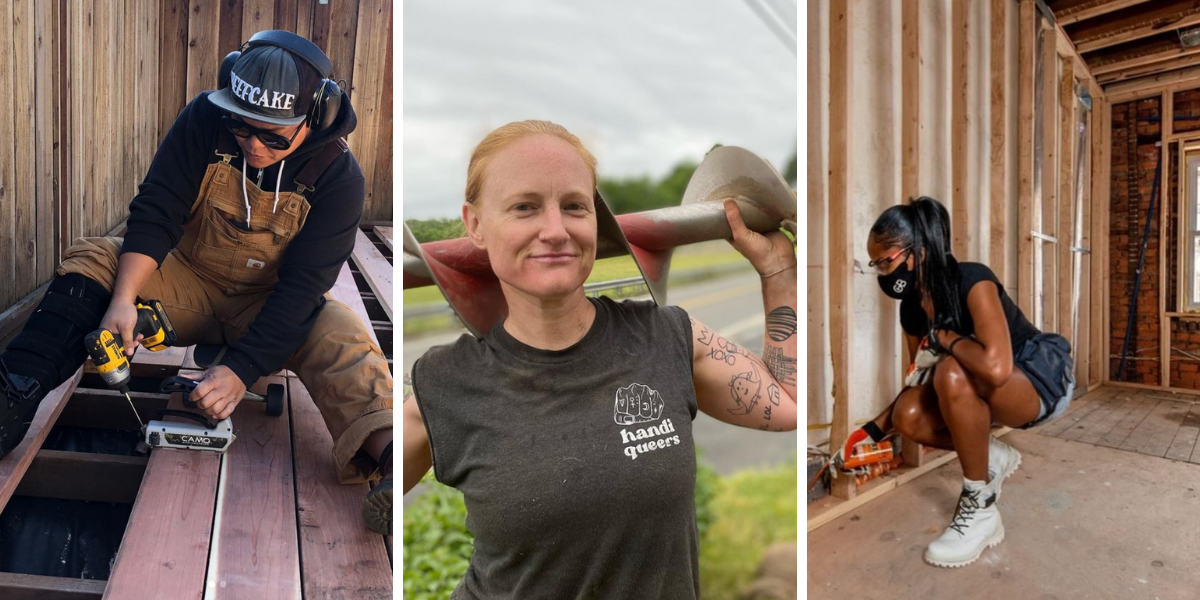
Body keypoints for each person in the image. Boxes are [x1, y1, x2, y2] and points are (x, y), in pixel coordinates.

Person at [0, 31, 394, 535]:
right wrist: (122, 300)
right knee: (96, 259)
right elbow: (157, 211)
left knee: (344, 337)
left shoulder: (340, 177)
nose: (253, 144)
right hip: (185, 277)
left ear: (315, 118)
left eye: (273, 137)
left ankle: (388, 463)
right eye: (241, 127)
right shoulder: (204, 121)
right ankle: (13, 394)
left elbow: (300, 292)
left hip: (268, 304)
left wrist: (240, 370)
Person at [402, 120, 798, 599]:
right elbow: (353, 498)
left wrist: (777, 269)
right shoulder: (444, 384)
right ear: (475, 224)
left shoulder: (665, 336)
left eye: (574, 206)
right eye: (525, 207)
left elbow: (787, 403)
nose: (556, 230)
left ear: (596, 220)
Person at [843, 196, 1075, 568]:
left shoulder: (971, 279)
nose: (883, 274)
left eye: (886, 262)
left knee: (952, 369)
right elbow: (918, 379)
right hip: (988, 389)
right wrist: (871, 430)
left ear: (917, 253)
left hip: (1038, 380)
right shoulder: (912, 309)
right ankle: (991, 456)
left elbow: (997, 369)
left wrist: (946, 339)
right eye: (876, 265)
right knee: (908, 412)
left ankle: (980, 510)